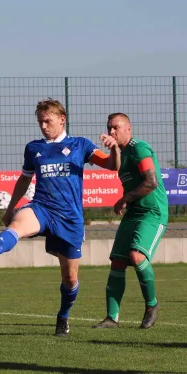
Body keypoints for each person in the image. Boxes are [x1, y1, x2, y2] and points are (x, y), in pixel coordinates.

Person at [0, 98, 120, 337]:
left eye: (48, 121)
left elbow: (111, 165)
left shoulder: (81, 145)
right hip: (42, 208)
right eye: (40, 122)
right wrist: (10, 207)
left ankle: (63, 316)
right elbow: (24, 179)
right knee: (18, 225)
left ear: (62, 119)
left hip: (70, 218)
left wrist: (115, 147)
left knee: (70, 277)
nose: (43, 126)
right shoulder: (34, 148)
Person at [92, 113, 168, 329]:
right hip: (134, 213)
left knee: (136, 255)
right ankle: (111, 318)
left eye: (116, 127)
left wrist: (124, 198)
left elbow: (151, 182)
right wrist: (114, 149)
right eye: (109, 128)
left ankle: (152, 306)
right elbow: (112, 164)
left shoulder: (139, 148)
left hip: (152, 212)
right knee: (117, 261)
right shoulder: (121, 154)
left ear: (128, 128)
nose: (112, 132)